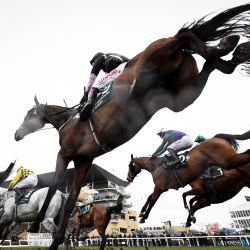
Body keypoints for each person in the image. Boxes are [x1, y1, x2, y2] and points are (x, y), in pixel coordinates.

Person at [79, 52, 129, 121]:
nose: (94, 66)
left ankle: (89, 105)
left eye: (93, 64)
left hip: (122, 67)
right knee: (105, 85)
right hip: (126, 66)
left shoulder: (101, 57)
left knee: (96, 86)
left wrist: (86, 94)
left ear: (95, 59)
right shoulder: (110, 56)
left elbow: (92, 78)